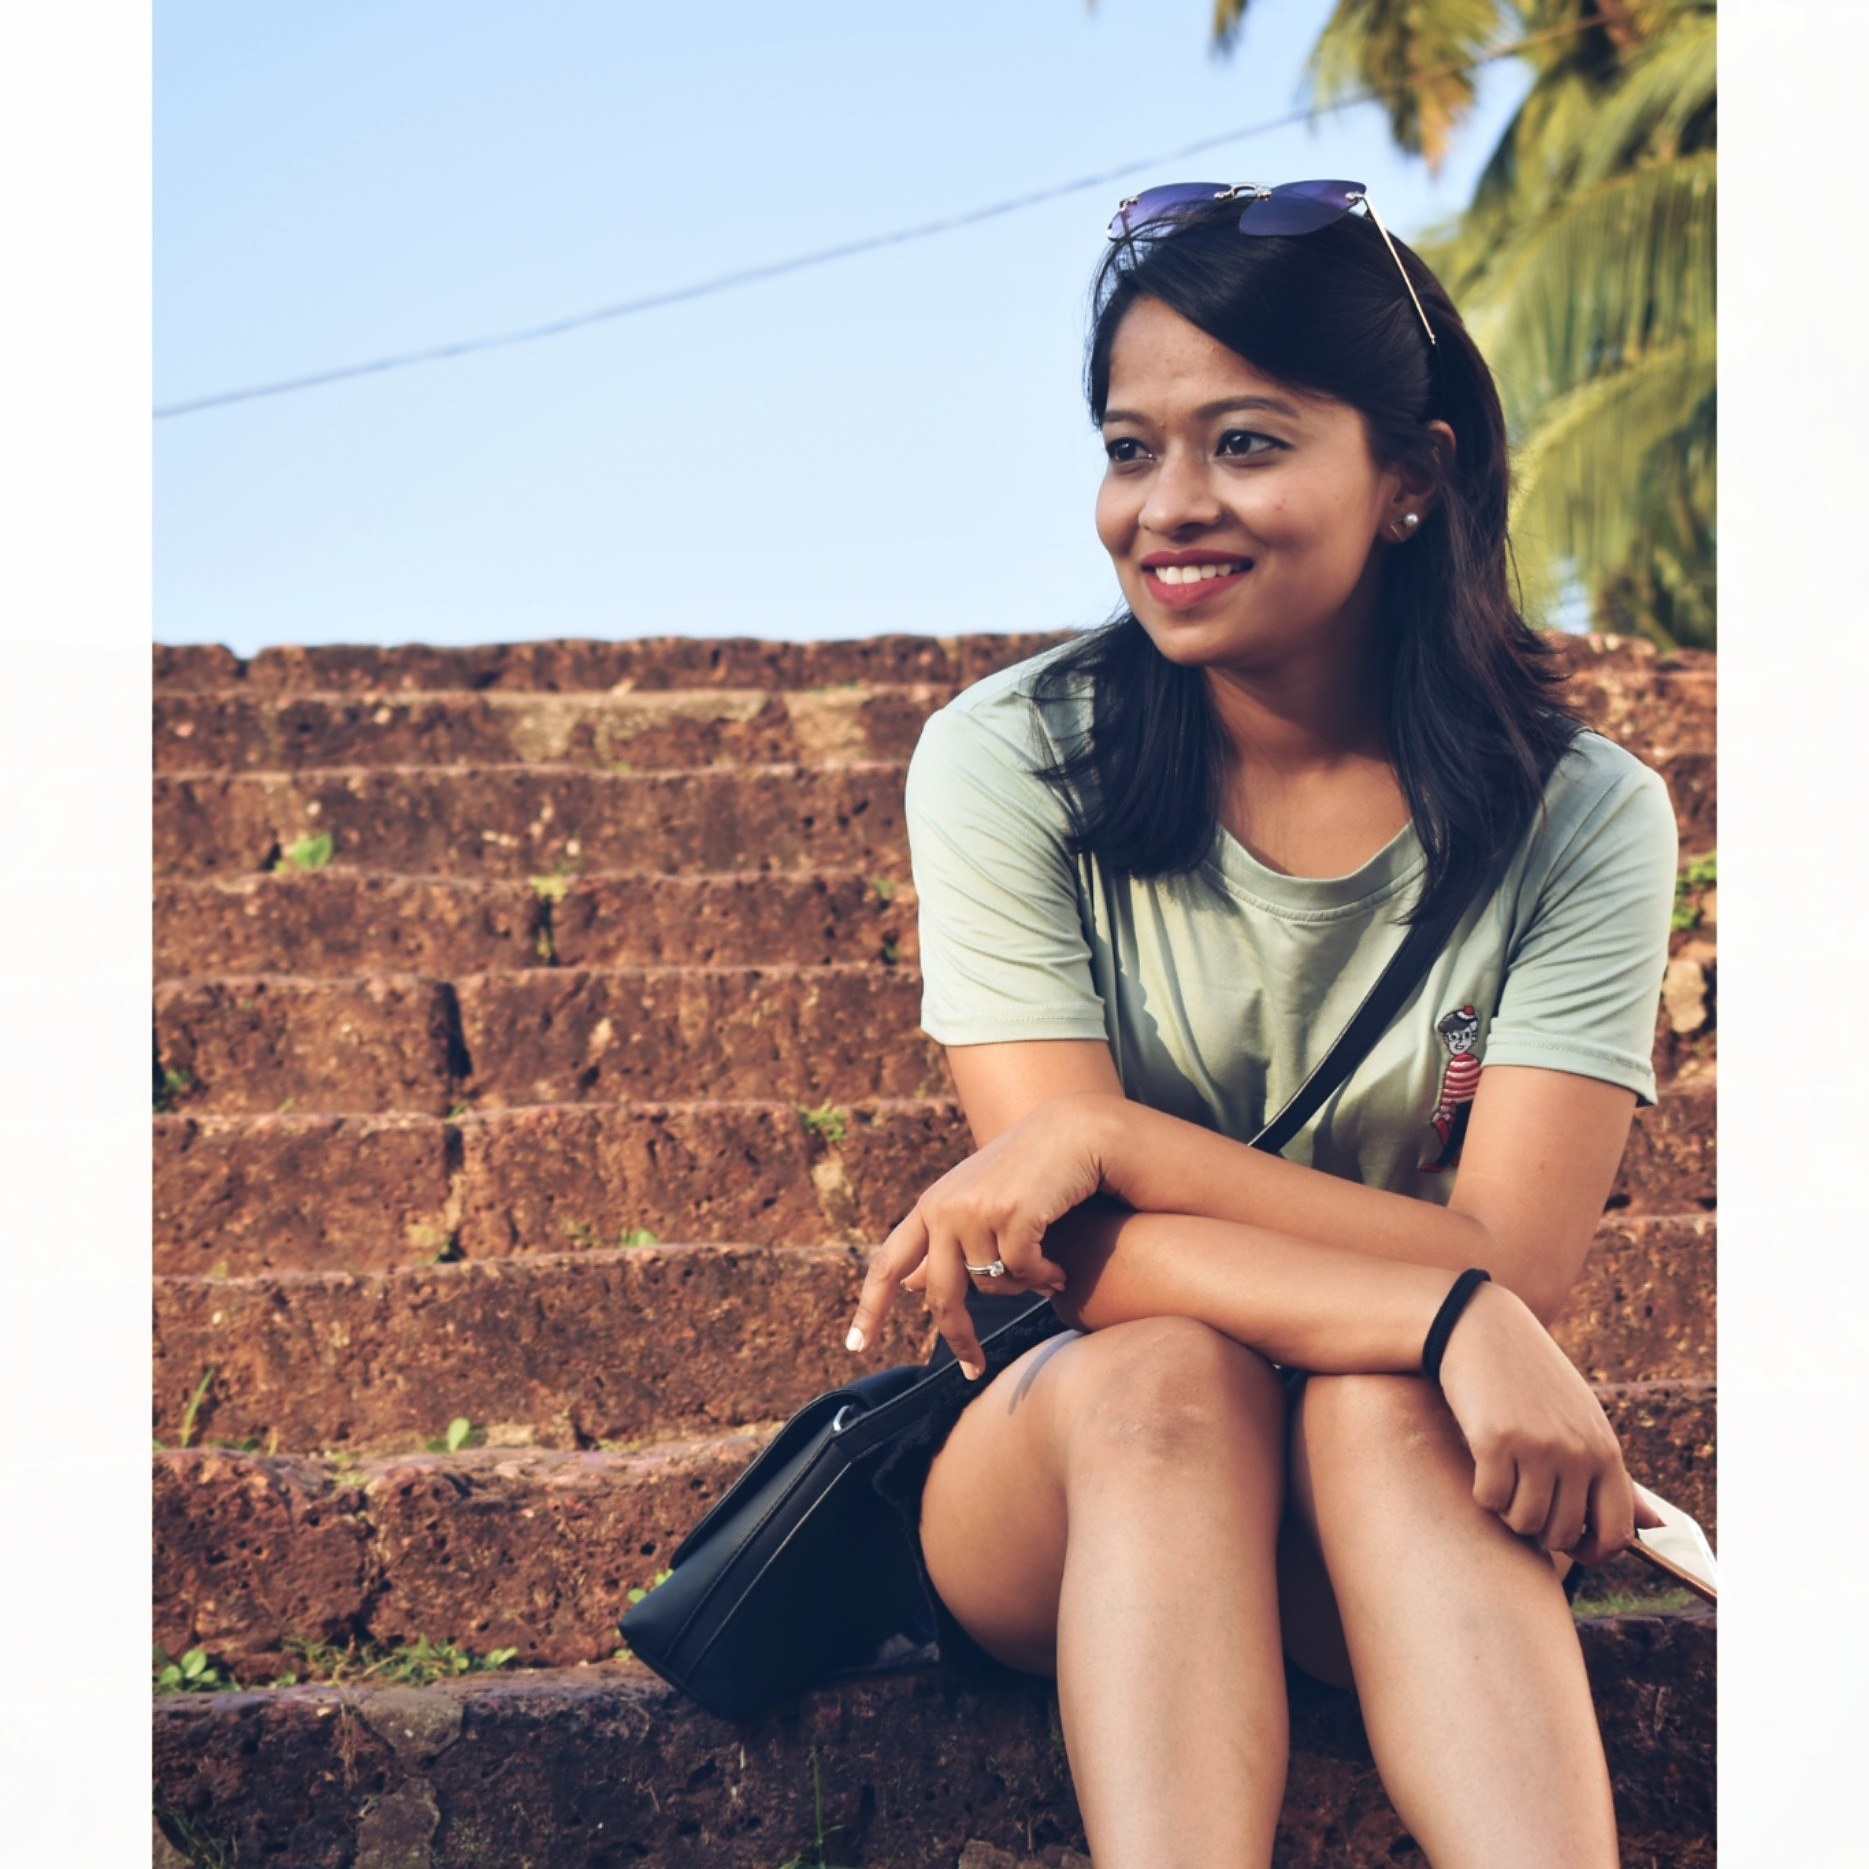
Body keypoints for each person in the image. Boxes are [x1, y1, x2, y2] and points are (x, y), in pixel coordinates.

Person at [842, 180, 1678, 1868]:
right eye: (1128, 448)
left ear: (1411, 475)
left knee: (1378, 1400)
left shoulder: (1579, 813)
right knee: (1173, 1370)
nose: (1166, 506)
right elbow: (1070, 1253)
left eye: (1242, 443)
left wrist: (1121, 1141)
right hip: (1074, 1462)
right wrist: (1440, 1303)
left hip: (1395, 1482)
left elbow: (1509, 1257)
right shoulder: (1013, 760)